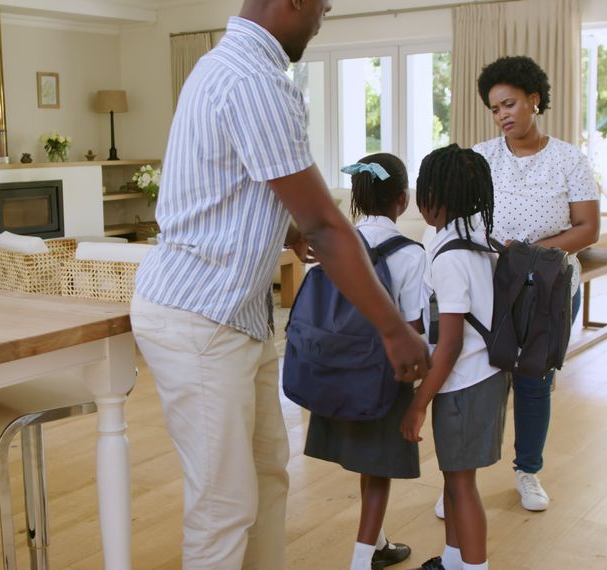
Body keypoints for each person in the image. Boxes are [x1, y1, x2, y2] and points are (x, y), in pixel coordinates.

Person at [129, 0, 431, 567]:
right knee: (222, 506)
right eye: (323, 6)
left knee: (268, 475)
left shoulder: (223, 64)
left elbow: (234, 184)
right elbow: (328, 224)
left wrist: (282, 228)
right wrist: (393, 329)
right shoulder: (253, 80)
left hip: (234, 316)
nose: (322, 18)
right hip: (201, 317)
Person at [468, 55, 599, 514]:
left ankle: (528, 471)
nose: (502, 115)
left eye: (509, 104)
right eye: (494, 109)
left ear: (534, 100)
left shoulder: (568, 159)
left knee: (533, 380)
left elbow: (587, 228)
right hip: (492, 287)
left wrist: (528, 254)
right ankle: (463, 480)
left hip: (551, 288)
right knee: (481, 381)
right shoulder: (481, 157)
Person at [302, 153, 424, 570]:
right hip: (385, 374)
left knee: (367, 462)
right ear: (403, 199)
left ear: (356, 196)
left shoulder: (334, 246)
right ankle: (361, 560)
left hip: (336, 371)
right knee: (380, 469)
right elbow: (413, 327)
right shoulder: (411, 253)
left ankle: (379, 541)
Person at [402, 144, 510, 570]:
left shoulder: (450, 258)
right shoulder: (480, 242)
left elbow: (450, 344)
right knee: (454, 475)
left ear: (435, 197)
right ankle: (451, 560)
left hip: (465, 382)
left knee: (462, 485)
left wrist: (418, 403)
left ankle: (475, 566)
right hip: (482, 376)